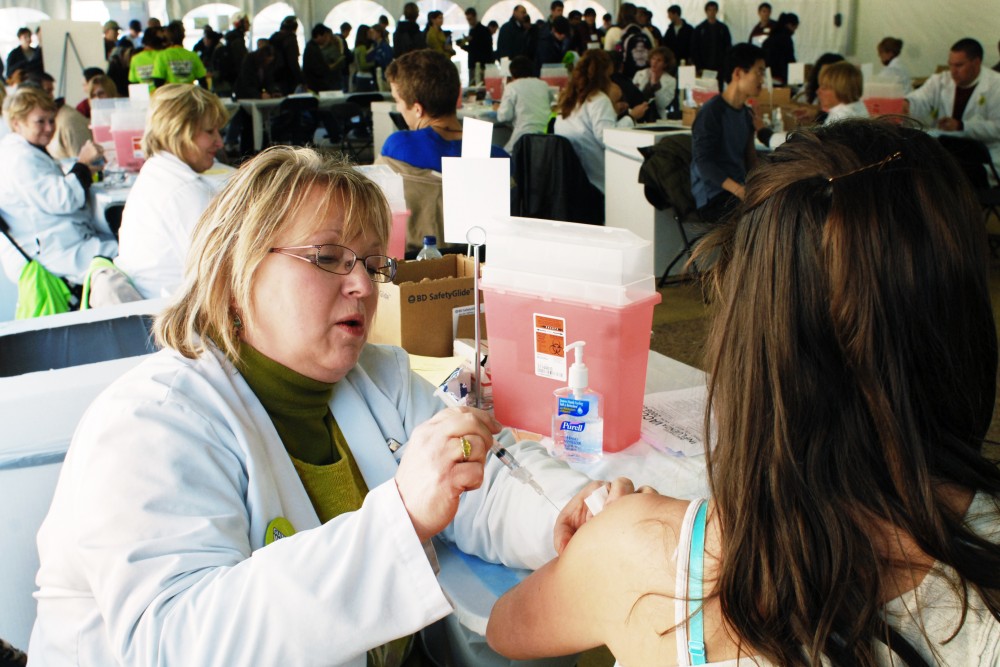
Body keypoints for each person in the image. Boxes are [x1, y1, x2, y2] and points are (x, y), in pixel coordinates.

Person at [28, 143, 613, 666]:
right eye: (330, 257)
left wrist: (565, 511)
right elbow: (178, 643)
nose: (363, 285)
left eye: (372, 263)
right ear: (237, 272)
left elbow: (483, 478)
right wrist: (402, 517)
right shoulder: (148, 424)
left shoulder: (377, 377)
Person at [488, 117, 1000, 667]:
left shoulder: (641, 552)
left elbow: (504, 627)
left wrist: (606, 537)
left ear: (746, 338)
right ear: (964, 316)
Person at [114, 84, 230, 300]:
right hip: (179, 319)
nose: (219, 142)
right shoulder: (185, 192)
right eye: (209, 131)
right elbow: (224, 275)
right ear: (178, 131)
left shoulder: (157, 174)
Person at [0, 87, 116, 287]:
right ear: (17, 123)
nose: (49, 128)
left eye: (51, 120)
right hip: (57, 251)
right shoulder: (20, 159)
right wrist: (82, 164)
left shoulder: (20, 150)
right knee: (128, 253)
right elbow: (63, 200)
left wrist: (84, 169)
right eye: (40, 121)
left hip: (59, 240)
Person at [382, 48, 508, 172]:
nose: (398, 108)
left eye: (397, 100)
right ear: (458, 93)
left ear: (417, 109)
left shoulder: (399, 146)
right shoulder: (498, 157)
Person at [554, 49, 648, 194]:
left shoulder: (568, 100)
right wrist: (631, 117)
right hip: (596, 182)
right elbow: (607, 139)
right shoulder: (598, 100)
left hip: (570, 181)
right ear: (604, 75)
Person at [690, 42, 763, 222]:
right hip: (714, 195)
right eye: (759, 72)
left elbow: (750, 158)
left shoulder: (746, 114)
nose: (762, 80)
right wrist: (742, 192)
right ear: (738, 73)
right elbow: (704, 163)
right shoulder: (712, 112)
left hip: (737, 191)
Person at [906, 38, 1000, 170]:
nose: (953, 71)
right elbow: (920, 98)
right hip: (948, 151)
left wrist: (961, 126)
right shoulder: (941, 81)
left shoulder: (996, 85)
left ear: (976, 63)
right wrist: (906, 104)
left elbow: (997, 128)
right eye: (950, 65)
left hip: (986, 156)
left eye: (959, 65)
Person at [758, 61, 868, 149]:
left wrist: (766, 134)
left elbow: (805, 146)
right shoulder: (858, 109)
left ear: (841, 90)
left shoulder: (842, 121)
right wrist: (818, 115)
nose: (818, 91)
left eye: (824, 88)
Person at [495, 54, 553, 152]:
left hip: (523, 138)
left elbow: (504, 116)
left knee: (503, 155)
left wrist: (498, 108)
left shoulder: (512, 87)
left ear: (512, 74)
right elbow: (552, 106)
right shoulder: (543, 85)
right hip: (546, 137)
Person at [152, 21, 208, 87]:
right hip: (188, 93)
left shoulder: (162, 56)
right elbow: (202, 81)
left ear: (167, 36)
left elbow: (158, 81)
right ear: (183, 36)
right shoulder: (193, 55)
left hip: (170, 94)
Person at [633, 46, 677, 119]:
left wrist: (655, 84)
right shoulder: (639, 74)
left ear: (665, 64)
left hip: (657, 116)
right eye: (653, 59)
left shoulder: (671, 81)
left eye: (659, 60)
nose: (654, 62)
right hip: (639, 114)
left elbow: (663, 104)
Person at [691, 1, 732, 78]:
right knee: (705, 87)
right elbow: (694, 48)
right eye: (709, 10)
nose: (712, 12)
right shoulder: (700, 29)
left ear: (716, 11)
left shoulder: (723, 28)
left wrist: (725, 64)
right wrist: (698, 65)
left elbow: (728, 46)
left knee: (718, 87)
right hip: (704, 65)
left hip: (719, 66)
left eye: (714, 10)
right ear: (706, 11)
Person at [303, 23, 344, 92]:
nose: (326, 39)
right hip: (316, 85)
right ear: (319, 36)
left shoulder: (312, 47)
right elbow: (318, 69)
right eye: (325, 37)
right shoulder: (313, 49)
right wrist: (329, 67)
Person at [269, 15, 303, 95]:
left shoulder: (273, 38)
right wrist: (301, 80)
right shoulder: (291, 40)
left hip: (273, 77)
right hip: (288, 78)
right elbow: (293, 62)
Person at [458, 7, 492, 86]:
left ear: (475, 17)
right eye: (468, 19)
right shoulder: (475, 31)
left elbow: (477, 48)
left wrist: (463, 46)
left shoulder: (482, 31)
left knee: (477, 86)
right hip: (476, 63)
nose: (469, 21)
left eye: (470, 19)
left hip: (480, 64)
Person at [762, 12, 798, 86]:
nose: (794, 31)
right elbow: (790, 59)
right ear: (790, 25)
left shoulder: (770, 37)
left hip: (767, 75)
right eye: (795, 28)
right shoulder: (786, 39)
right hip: (779, 77)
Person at [366, 24, 394, 92]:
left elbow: (387, 60)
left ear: (379, 33)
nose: (371, 35)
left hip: (383, 74)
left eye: (373, 32)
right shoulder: (373, 46)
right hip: (375, 74)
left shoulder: (385, 46)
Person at [352, 25, 376, 91]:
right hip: (365, 77)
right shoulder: (363, 48)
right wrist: (374, 63)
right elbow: (363, 65)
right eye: (369, 32)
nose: (371, 34)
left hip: (358, 76)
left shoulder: (357, 47)